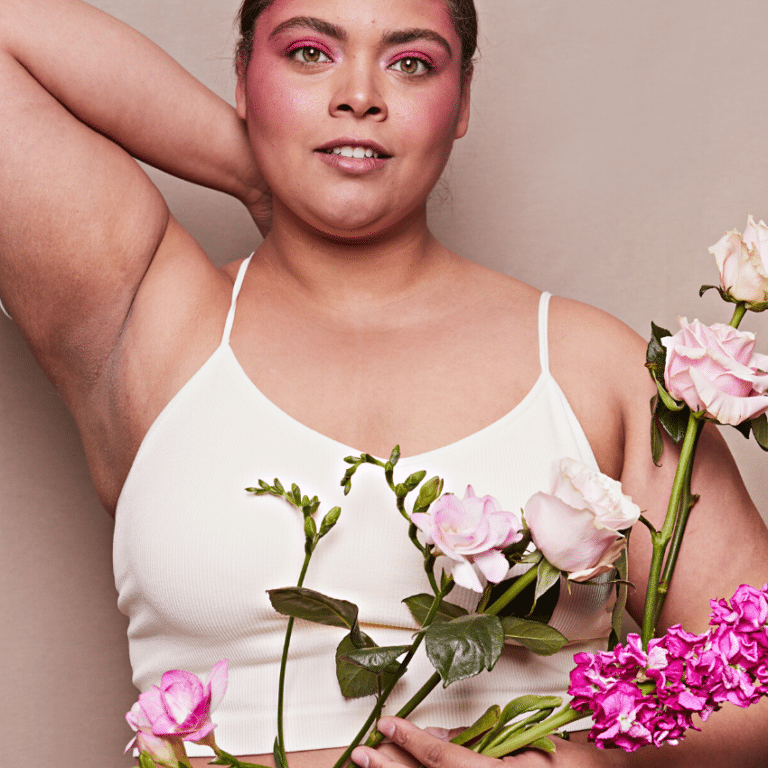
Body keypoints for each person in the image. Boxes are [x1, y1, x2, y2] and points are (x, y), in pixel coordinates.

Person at [1, 1, 767, 767]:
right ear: (243, 78)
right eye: (309, 54)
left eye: (410, 63)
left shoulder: (591, 366)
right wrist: (250, 168)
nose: (359, 96)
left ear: (461, 100)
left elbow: (758, 681)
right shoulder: (148, 320)